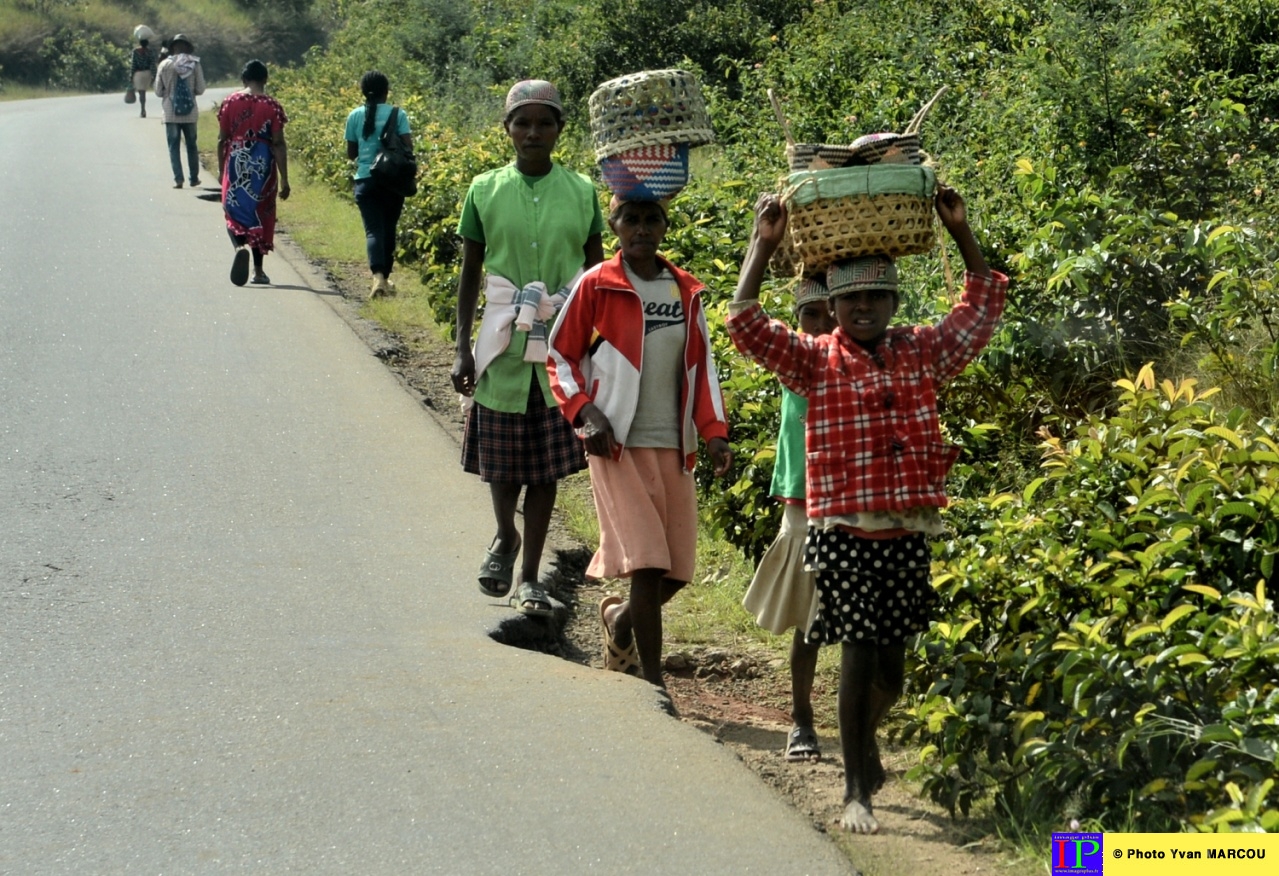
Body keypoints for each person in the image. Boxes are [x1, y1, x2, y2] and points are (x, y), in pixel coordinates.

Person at [727, 188, 1008, 834]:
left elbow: (980, 306)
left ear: (892, 305)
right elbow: (744, 323)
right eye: (849, 300)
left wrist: (961, 230)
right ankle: (856, 790)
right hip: (839, 531)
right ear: (830, 307)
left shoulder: (919, 351)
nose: (861, 309)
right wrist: (762, 244)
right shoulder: (813, 361)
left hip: (906, 527)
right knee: (855, 652)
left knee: (892, 670)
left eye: (874, 299)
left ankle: (864, 741)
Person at [548, 197, 733, 688]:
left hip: (673, 444)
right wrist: (587, 413)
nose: (642, 229)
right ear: (614, 226)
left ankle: (622, 620)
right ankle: (653, 684)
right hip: (617, 444)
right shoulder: (597, 284)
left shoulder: (684, 290)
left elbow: (702, 367)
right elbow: (560, 356)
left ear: (665, 226)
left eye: (652, 220)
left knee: (676, 570)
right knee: (648, 566)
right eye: (631, 219)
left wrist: (713, 432)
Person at [451, 80, 605, 617]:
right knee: (502, 463)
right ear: (508, 129)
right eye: (523, 122)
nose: (533, 133)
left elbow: (597, 274)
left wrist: (598, 346)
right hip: (501, 340)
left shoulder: (582, 191)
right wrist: (460, 348)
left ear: (561, 130)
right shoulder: (484, 189)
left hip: (560, 344)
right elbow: (471, 271)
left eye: (545, 123)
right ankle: (503, 534)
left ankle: (531, 574)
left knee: (544, 469)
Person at [741, 276, 835, 762]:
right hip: (804, 502)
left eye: (831, 312)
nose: (822, 325)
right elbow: (749, 322)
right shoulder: (796, 358)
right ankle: (801, 719)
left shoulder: (856, 358)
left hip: (851, 500)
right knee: (809, 619)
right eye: (811, 315)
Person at [217, 60, 290, 287]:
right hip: (262, 165)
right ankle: (258, 272)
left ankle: (239, 246)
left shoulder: (230, 101)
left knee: (233, 211)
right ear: (265, 80)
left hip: (236, 160)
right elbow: (278, 143)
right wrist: (285, 179)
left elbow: (222, 139)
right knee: (261, 214)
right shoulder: (273, 106)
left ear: (243, 79)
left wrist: (222, 171)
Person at [344, 71, 413, 298]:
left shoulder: (354, 116)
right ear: (386, 91)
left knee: (373, 230)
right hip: (392, 181)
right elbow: (407, 148)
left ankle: (378, 278)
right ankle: (384, 278)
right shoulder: (397, 114)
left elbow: (351, 154)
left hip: (365, 181)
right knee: (389, 229)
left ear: (363, 92)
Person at [153, 34, 206, 189]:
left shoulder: (164, 65)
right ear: (187, 48)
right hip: (190, 113)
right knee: (191, 145)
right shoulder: (194, 64)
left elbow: (157, 91)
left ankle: (178, 179)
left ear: (173, 48)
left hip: (170, 112)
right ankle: (194, 178)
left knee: (173, 146)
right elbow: (200, 89)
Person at [129, 37, 157, 118]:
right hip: (147, 73)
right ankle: (143, 109)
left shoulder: (135, 51)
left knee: (141, 92)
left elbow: (133, 65)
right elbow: (152, 64)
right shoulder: (150, 51)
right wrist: (154, 75)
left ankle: (142, 109)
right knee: (144, 91)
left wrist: (131, 75)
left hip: (138, 73)